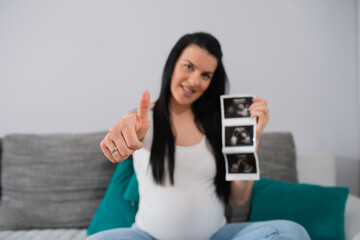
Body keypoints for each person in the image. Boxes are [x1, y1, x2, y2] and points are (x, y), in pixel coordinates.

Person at [87, 32, 310, 240]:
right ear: (172, 65)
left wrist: (250, 141)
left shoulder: (221, 123)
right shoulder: (144, 120)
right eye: (188, 66)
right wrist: (124, 133)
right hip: (148, 236)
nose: (194, 81)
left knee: (292, 231)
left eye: (205, 75)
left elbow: (239, 198)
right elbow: (130, 129)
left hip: (216, 236)